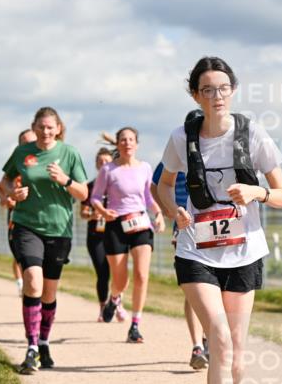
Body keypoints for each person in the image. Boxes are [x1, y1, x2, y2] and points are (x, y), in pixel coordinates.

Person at [157, 56, 282, 384]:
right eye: (207, 89)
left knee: (235, 349)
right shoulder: (182, 137)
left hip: (244, 252)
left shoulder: (253, 135)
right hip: (196, 251)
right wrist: (173, 210)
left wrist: (257, 192)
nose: (216, 96)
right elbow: (162, 185)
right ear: (195, 94)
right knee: (217, 338)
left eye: (223, 88)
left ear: (233, 91)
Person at [0, 107, 88, 374]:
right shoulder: (22, 153)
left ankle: (44, 342)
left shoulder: (69, 153)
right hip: (26, 225)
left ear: (58, 128)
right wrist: (13, 193)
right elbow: (3, 184)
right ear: (34, 127)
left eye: (50, 127)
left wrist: (65, 180)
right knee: (33, 281)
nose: (45, 131)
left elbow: (83, 193)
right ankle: (32, 347)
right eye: (41, 127)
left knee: (49, 293)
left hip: (59, 230)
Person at [90, 127, 165, 343]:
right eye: (123, 140)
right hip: (116, 225)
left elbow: (148, 197)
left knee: (141, 275)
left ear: (137, 144)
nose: (127, 143)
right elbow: (95, 197)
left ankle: (135, 326)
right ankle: (114, 298)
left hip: (140, 223)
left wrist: (158, 214)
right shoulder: (108, 170)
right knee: (120, 280)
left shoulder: (145, 167)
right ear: (117, 144)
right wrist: (103, 211)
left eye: (131, 139)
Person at [152, 111, 208, 369]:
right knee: (194, 287)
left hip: (216, 226)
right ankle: (197, 345)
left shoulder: (217, 150)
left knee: (217, 287)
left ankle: (209, 338)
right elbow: (156, 184)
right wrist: (169, 209)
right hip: (185, 225)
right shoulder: (177, 150)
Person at [81, 148, 117, 321]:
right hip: (96, 236)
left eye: (106, 161)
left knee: (118, 272)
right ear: (96, 164)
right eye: (100, 162)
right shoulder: (90, 187)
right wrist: (92, 215)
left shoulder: (117, 184)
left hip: (116, 234)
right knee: (103, 273)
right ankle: (103, 307)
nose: (103, 164)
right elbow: (83, 213)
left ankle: (116, 303)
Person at [8, 129, 36, 297]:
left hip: (43, 220)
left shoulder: (46, 162)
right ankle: (22, 283)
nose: (29, 145)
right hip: (18, 219)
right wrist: (9, 197)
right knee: (21, 256)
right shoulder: (17, 164)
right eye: (25, 143)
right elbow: (2, 187)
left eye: (32, 142)